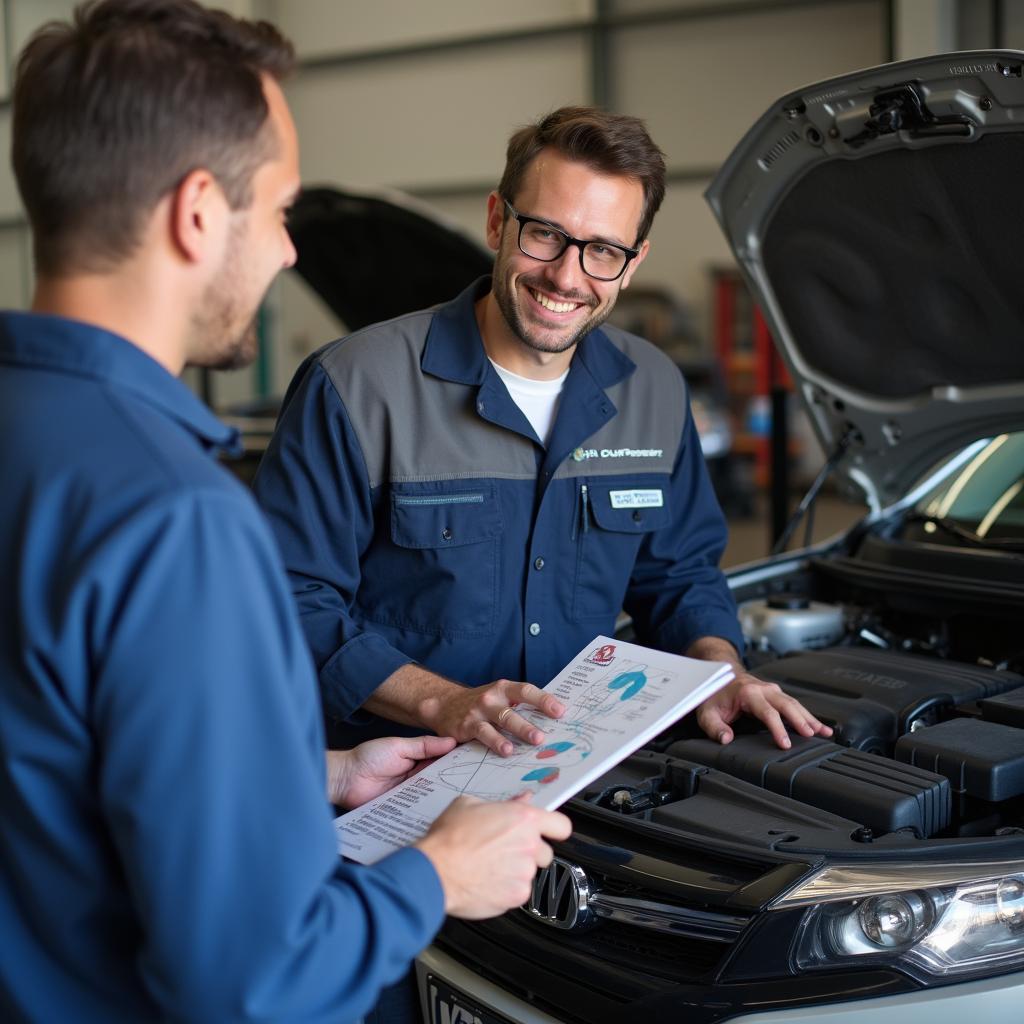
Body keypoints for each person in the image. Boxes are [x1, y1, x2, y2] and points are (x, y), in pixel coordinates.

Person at [0, 3, 571, 1022]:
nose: (287, 250)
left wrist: (320, 772)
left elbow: (48, 756)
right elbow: (249, 978)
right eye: (277, 210)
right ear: (195, 214)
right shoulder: (174, 518)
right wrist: (436, 875)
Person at [254, 107, 833, 760]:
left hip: (582, 777)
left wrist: (718, 670)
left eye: (602, 251)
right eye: (545, 236)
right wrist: (444, 702)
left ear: (633, 261)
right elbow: (288, 600)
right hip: (395, 779)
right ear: (498, 220)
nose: (565, 275)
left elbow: (680, 576)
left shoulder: (653, 389)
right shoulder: (356, 386)